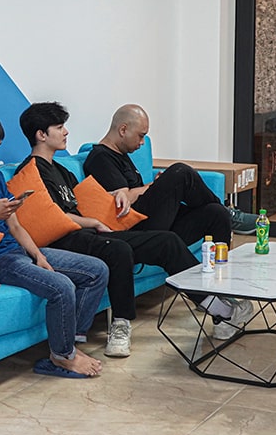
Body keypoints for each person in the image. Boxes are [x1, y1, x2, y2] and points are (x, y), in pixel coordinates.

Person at [18, 102, 253, 353]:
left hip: (97, 231)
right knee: (126, 246)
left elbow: (86, 203)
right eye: (59, 127)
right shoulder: (29, 172)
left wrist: (116, 197)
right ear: (41, 135)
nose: (66, 132)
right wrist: (95, 222)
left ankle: (220, 305)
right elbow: (53, 217)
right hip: (72, 239)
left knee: (174, 237)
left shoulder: (62, 171)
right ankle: (122, 325)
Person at [0, 110, 109, 378]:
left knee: (97, 270)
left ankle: (69, 344)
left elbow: (15, 226)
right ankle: (62, 358)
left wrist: (38, 255)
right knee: (62, 286)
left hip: (18, 252)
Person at [83, 104, 259, 247]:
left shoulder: (121, 154)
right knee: (180, 172)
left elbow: (136, 191)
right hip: (135, 228)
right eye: (140, 136)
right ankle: (231, 215)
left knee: (215, 213)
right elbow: (124, 199)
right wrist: (155, 186)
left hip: (149, 219)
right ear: (123, 130)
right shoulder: (101, 157)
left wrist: (156, 186)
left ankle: (221, 273)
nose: (142, 142)